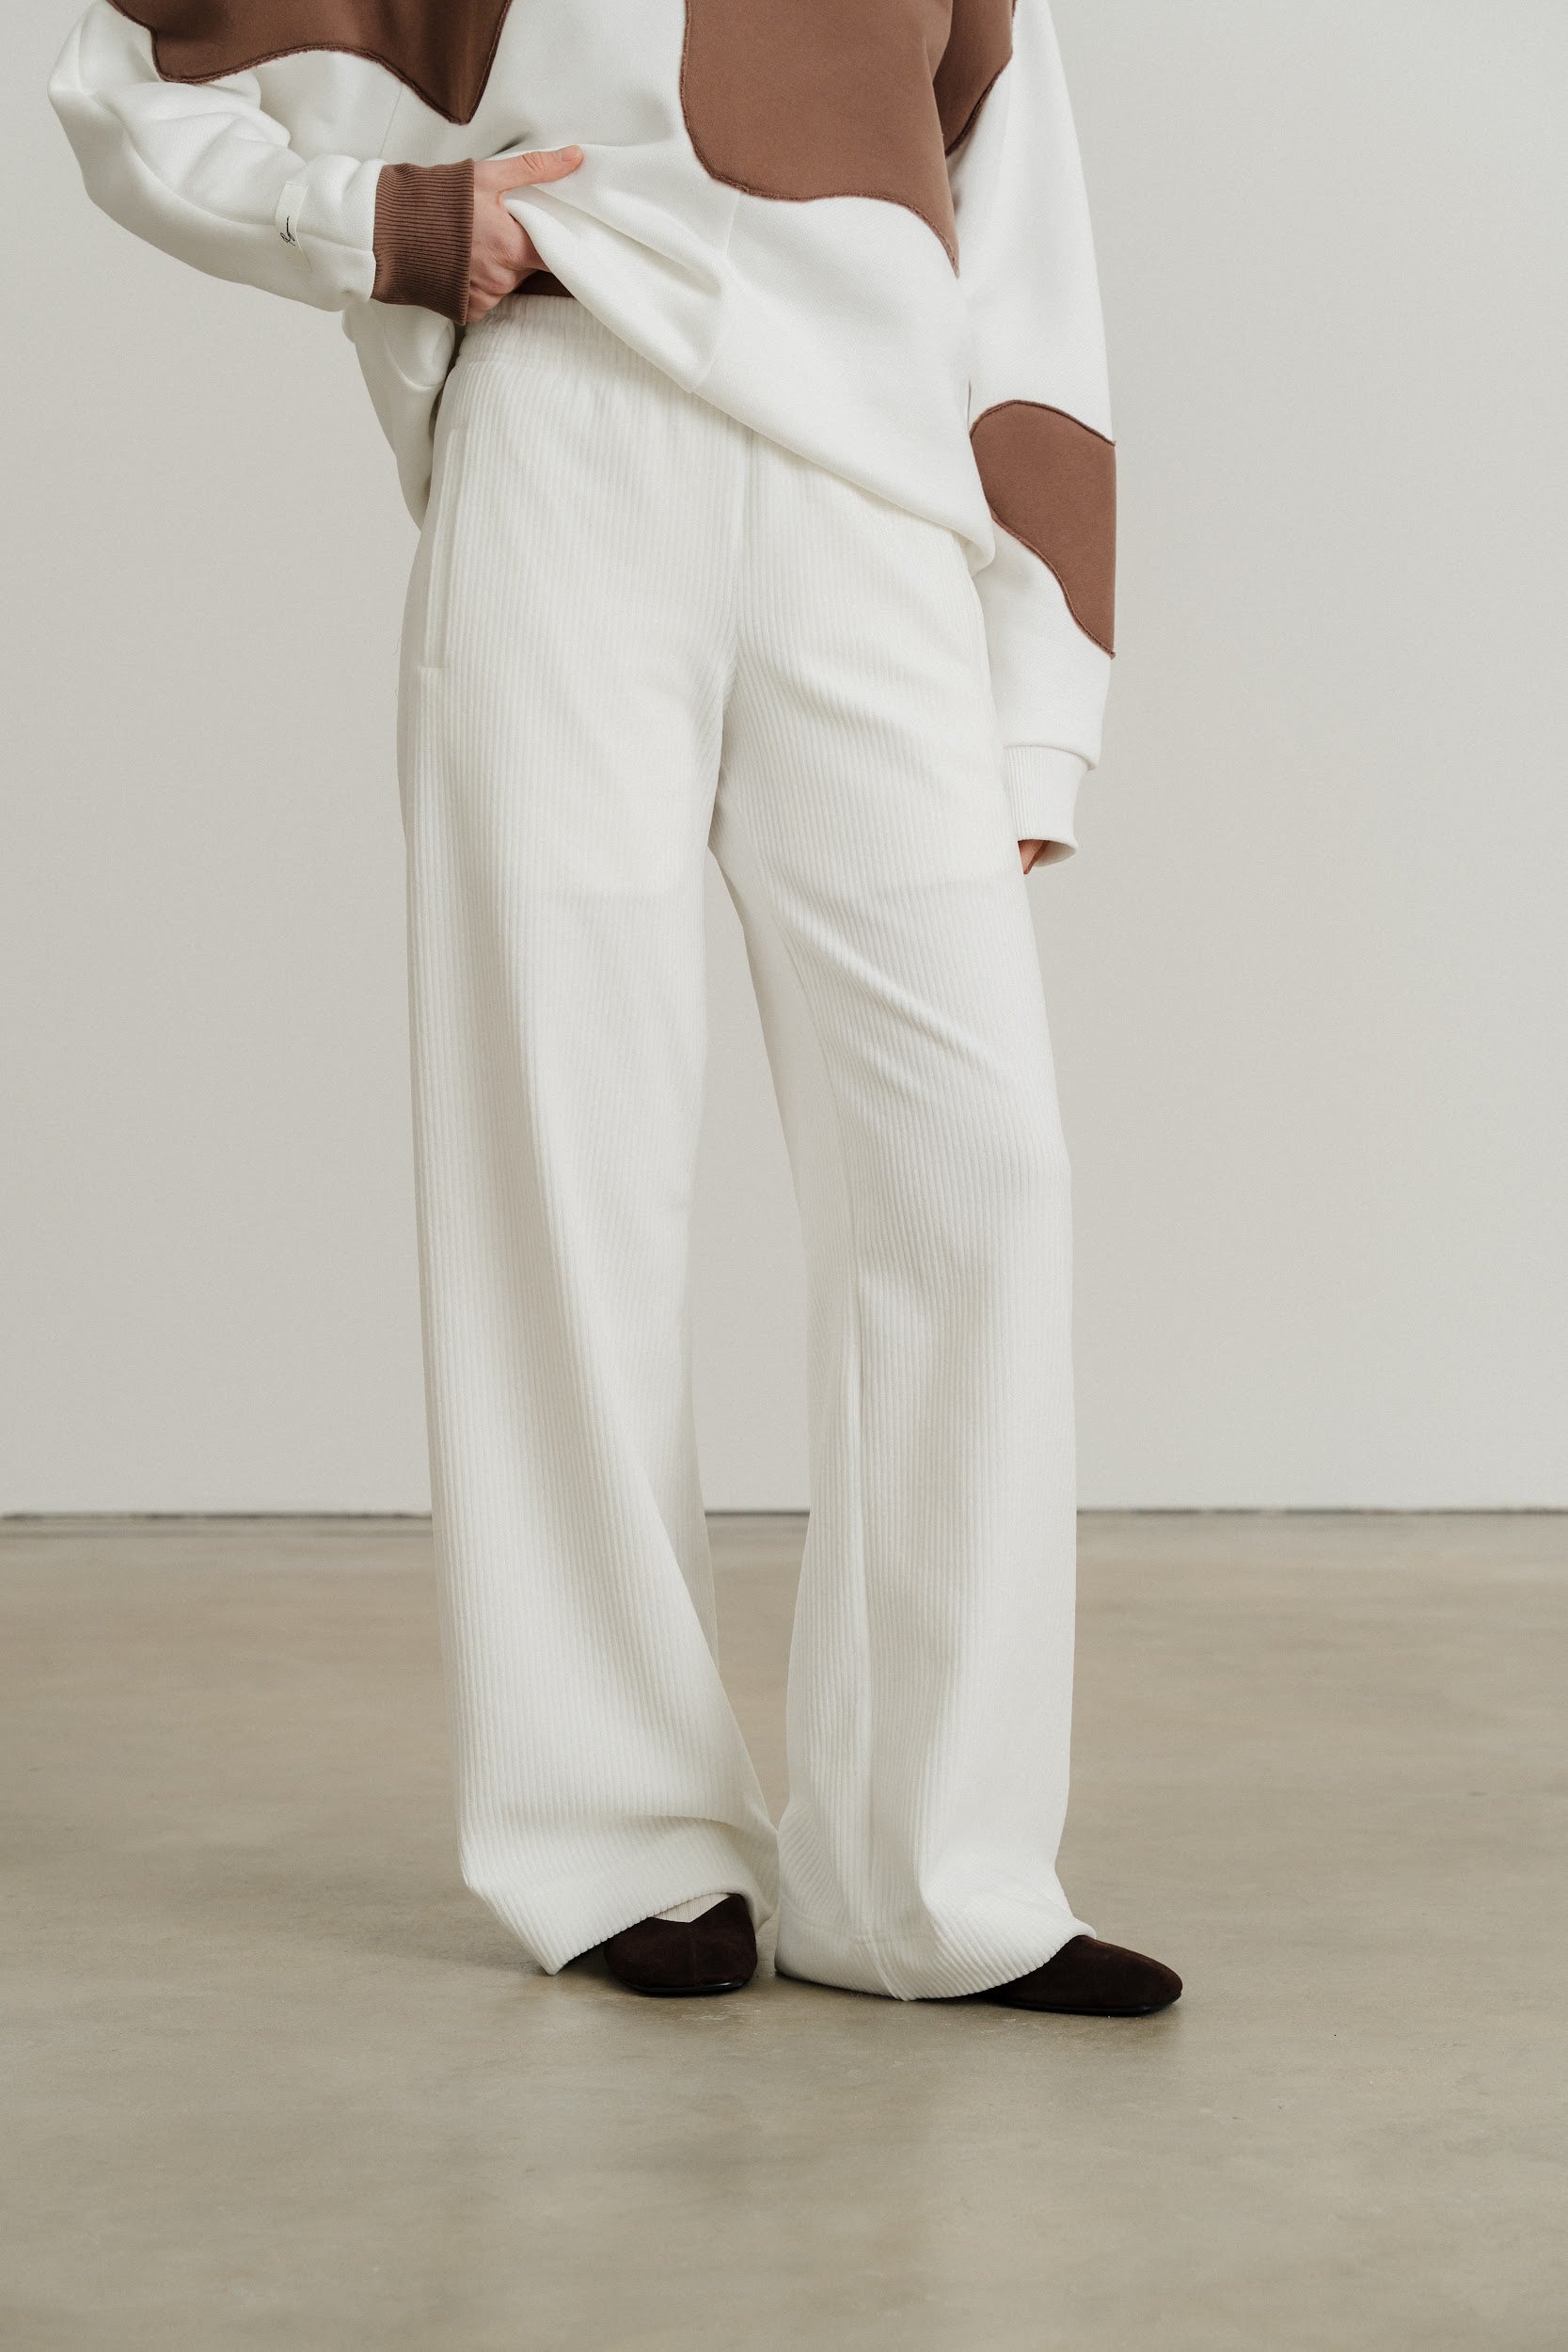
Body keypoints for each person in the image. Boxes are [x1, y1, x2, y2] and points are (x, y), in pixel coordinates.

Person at [51, 0, 1180, 2016]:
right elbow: (124, 73)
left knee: (977, 1168)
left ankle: (934, 1878)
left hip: (874, 502)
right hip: (569, 436)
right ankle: (611, 1835)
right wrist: (387, 222)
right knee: (564, 1150)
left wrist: (1043, 692)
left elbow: (1027, 260)